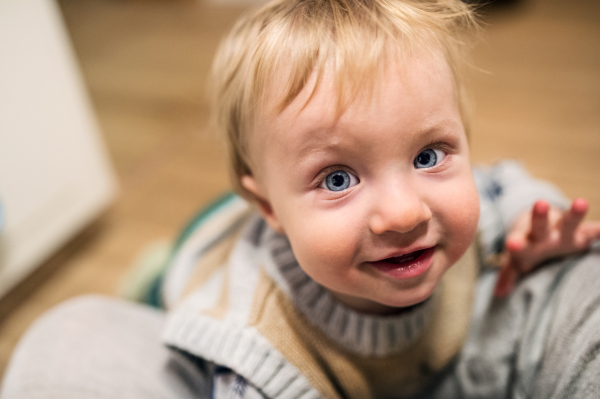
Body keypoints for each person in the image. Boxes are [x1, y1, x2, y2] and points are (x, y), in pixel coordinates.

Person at [2, 0, 599, 398]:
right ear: (268, 208)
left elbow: (500, 181)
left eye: (427, 155)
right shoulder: (250, 348)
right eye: (337, 178)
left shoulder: (455, 200)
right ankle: (157, 272)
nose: (406, 212)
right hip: (211, 254)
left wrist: (532, 219)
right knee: (167, 284)